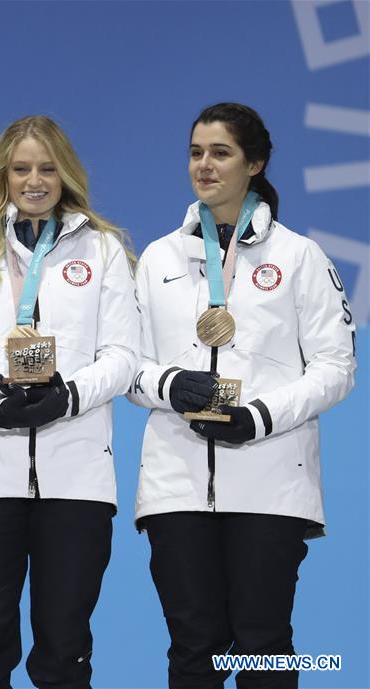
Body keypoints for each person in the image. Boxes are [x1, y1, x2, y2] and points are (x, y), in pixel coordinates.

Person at [127, 102, 356, 688]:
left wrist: (258, 416)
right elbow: (127, 367)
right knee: (193, 648)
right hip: (176, 483)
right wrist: (171, 385)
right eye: (196, 152)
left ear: (255, 163)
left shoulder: (299, 256)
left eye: (221, 153)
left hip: (270, 481)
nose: (204, 166)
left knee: (262, 645)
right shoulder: (157, 258)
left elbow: (336, 367)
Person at [0, 115, 139, 689]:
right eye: (21, 168)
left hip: (76, 483)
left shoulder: (104, 250)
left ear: (66, 173)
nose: (35, 180)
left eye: (47, 167)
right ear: (2, 175)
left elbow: (123, 356)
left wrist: (65, 398)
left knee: (65, 650)